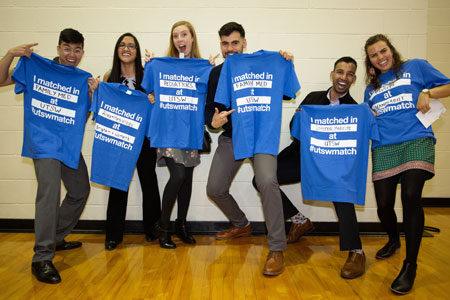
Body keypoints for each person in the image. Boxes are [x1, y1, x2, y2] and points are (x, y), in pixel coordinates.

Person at [0, 28, 99, 284]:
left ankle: (54, 237)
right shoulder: (38, 68)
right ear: (58, 49)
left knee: (80, 190)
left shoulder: (81, 78)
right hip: (43, 143)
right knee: (50, 192)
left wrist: (91, 96)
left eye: (77, 50)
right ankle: (42, 258)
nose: (72, 55)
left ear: (83, 52)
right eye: (67, 48)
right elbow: (0, 81)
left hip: (67, 144)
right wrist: (10, 54)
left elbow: (80, 118)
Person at [205, 22, 297, 276]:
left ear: (244, 42)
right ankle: (241, 224)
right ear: (220, 45)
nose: (230, 49)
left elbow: (287, 94)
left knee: (267, 182)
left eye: (235, 42)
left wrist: (287, 63)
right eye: (225, 44)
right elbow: (209, 107)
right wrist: (212, 122)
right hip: (233, 137)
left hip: (260, 138)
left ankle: (277, 248)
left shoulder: (268, 63)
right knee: (214, 188)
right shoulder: (217, 73)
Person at [364, 34, 450, 294]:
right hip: (384, 146)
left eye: (383, 51)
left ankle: (410, 265)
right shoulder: (371, 90)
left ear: (392, 50)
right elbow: (366, 118)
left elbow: (448, 86)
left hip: (416, 139)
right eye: (374, 55)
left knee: (411, 196)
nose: (380, 57)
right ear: (370, 61)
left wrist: (427, 91)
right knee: (383, 206)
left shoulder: (416, 67)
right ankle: (393, 240)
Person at [144, 21, 208, 249]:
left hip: (190, 130)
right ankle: (163, 227)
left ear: (192, 38)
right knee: (178, 176)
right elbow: (147, 91)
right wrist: (151, 90)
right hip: (168, 131)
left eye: (184, 34)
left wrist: (210, 67)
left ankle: (181, 224)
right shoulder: (159, 65)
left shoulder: (203, 67)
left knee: (187, 179)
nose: (179, 39)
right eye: (175, 36)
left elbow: (212, 95)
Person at [102, 33, 161, 251]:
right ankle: (113, 235)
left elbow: (158, 107)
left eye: (131, 46)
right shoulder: (110, 77)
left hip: (144, 137)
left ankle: (153, 228)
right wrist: (94, 91)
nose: (126, 49)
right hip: (120, 138)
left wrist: (154, 99)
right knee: (118, 184)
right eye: (122, 45)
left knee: (149, 182)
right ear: (117, 50)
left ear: (137, 51)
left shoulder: (147, 77)